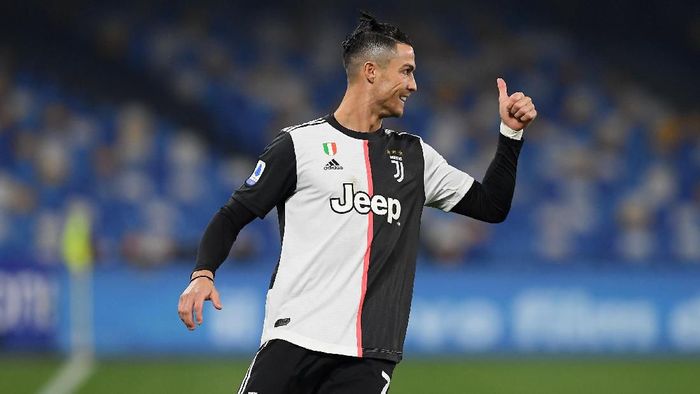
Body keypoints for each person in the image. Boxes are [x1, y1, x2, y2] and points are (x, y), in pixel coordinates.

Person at [178, 11, 536, 393]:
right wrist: (203, 274)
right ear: (371, 71)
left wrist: (510, 136)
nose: (413, 85)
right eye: (406, 71)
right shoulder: (300, 145)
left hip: (369, 355)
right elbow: (232, 215)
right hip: (294, 338)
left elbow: (491, 205)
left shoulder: (414, 158)